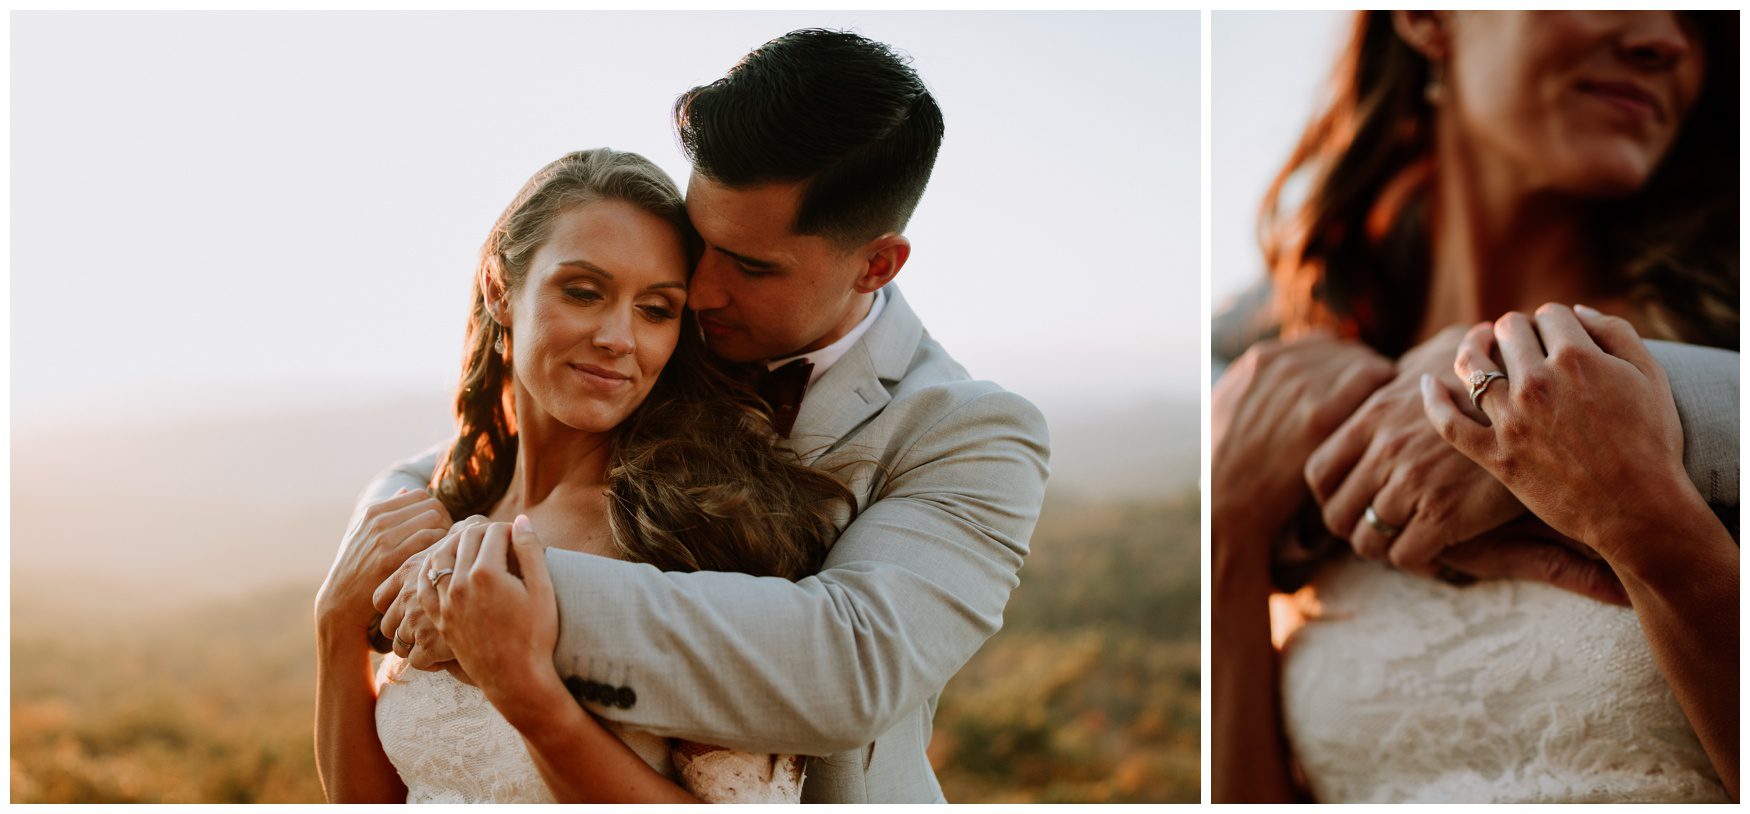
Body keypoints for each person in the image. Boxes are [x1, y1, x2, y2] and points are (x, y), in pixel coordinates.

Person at [357, 29, 1050, 804]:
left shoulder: (972, 432)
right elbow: (501, 454)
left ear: (876, 264)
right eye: (701, 241)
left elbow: (849, 667)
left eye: (751, 266)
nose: (700, 292)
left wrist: (501, 585)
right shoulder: (653, 325)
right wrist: (392, 511)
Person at [1213, 11, 1737, 802]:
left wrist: (1637, 511)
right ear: (1425, 18)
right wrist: (1227, 532)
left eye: (1700, 21)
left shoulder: (1721, 389)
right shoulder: (1312, 413)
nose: (1665, 39)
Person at [316, 148, 855, 802]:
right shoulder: (450, 505)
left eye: (656, 309)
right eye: (583, 292)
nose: (618, 338)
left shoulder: (693, 535)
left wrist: (528, 693)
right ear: (501, 289)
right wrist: (335, 632)